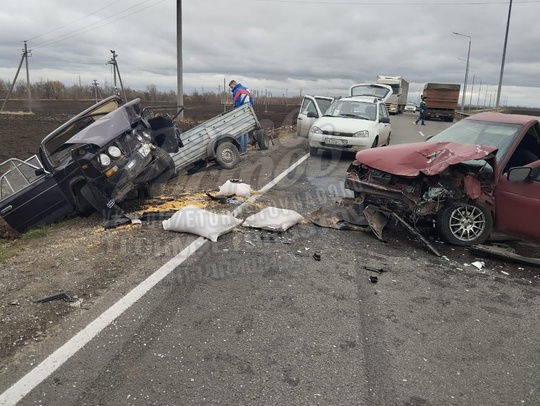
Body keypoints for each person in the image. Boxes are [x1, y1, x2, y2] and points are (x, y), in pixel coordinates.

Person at [229, 80, 254, 155]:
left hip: (241, 111)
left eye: (231, 87)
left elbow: (236, 102)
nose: (231, 89)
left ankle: (241, 151)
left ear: (234, 84)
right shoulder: (246, 89)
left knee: (240, 131)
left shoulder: (237, 90)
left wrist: (234, 112)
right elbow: (251, 101)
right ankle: (245, 150)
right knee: (245, 130)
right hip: (248, 110)